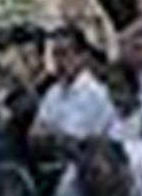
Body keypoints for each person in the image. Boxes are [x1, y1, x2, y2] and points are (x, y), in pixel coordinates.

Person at [28, 26, 115, 163]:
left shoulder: (94, 93)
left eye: (64, 54)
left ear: (82, 56)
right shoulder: (53, 92)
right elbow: (34, 135)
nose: (59, 62)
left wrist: (51, 136)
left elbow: (75, 143)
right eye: (55, 55)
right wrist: (53, 137)